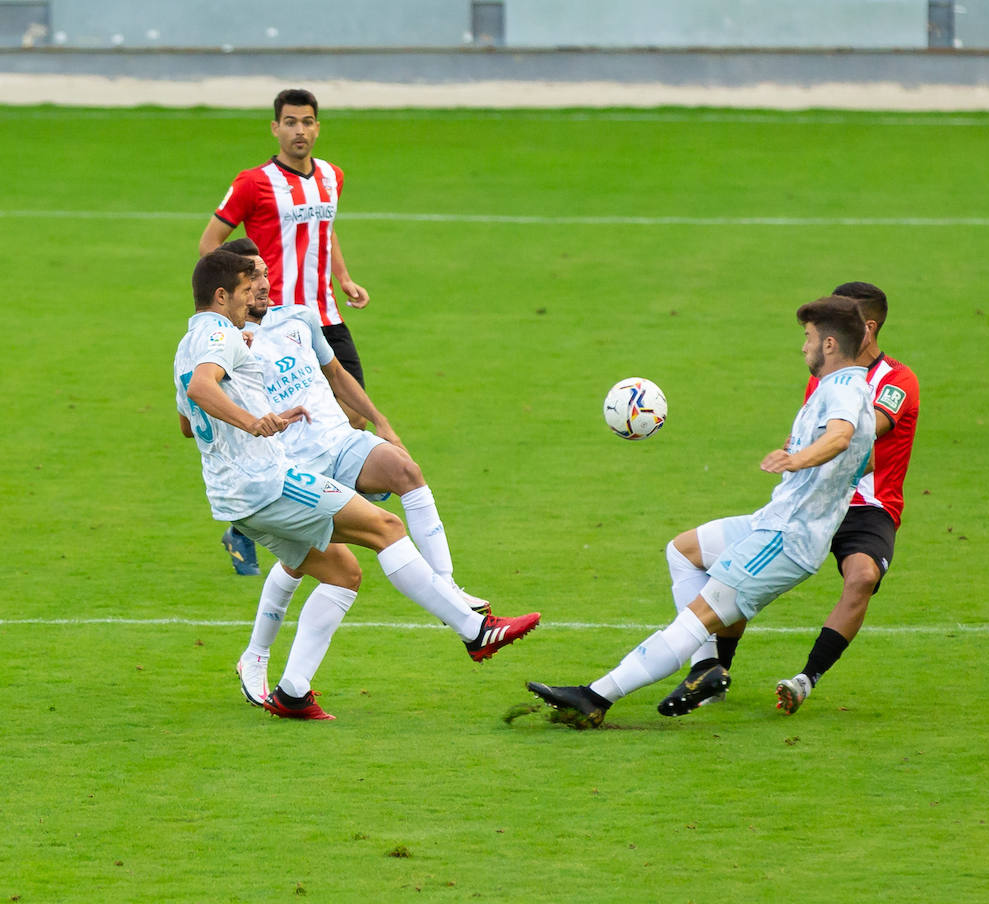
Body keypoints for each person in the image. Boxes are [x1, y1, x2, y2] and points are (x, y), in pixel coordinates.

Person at [175, 250, 539, 721]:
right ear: (222, 295)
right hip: (267, 481)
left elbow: (188, 421)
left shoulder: (187, 342)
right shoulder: (221, 333)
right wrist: (255, 422)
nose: (254, 296)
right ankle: (474, 630)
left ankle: (291, 691)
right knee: (384, 526)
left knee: (343, 573)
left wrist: (254, 412)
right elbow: (204, 389)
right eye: (247, 288)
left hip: (233, 496)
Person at [526, 297, 875, 728]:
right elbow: (865, 457)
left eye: (806, 339)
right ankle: (705, 668)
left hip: (786, 537)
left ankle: (596, 696)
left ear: (828, 344)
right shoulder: (851, 386)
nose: (802, 347)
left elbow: (841, 439)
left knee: (698, 616)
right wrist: (813, 458)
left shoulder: (841, 390)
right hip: (772, 521)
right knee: (684, 551)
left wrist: (797, 460)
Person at [654, 281, 920, 717]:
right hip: (813, 501)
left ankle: (806, 678)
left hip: (867, 504)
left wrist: (808, 452)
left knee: (863, 576)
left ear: (866, 327)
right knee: (734, 571)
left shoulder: (897, 381)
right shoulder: (824, 378)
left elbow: (859, 439)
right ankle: (713, 672)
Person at [198, 88, 369, 388]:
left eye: (307, 122)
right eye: (290, 122)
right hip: (274, 319)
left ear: (317, 127)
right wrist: (236, 304)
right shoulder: (253, 182)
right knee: (285, 418)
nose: (299, 130)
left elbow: (324, 229)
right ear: (275, 128)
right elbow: (209, 245)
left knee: (355, 414)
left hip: (325, 315)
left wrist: (344, 278)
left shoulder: (332, 176)